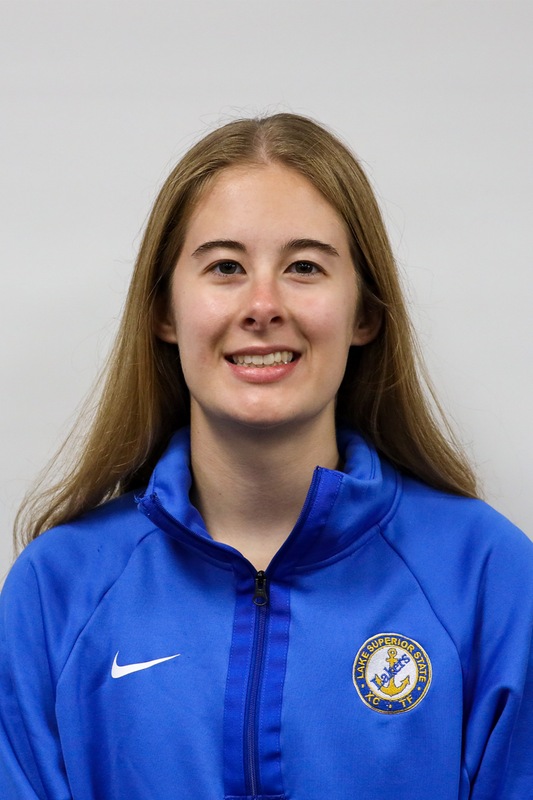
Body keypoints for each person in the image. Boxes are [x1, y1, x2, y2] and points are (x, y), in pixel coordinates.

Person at [1, 113, 532, 800]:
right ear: (164, 310)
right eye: (225, 267)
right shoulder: (56, 592)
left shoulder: (489, 578)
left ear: (364, 313)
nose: (262, 305)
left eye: (304, 267)